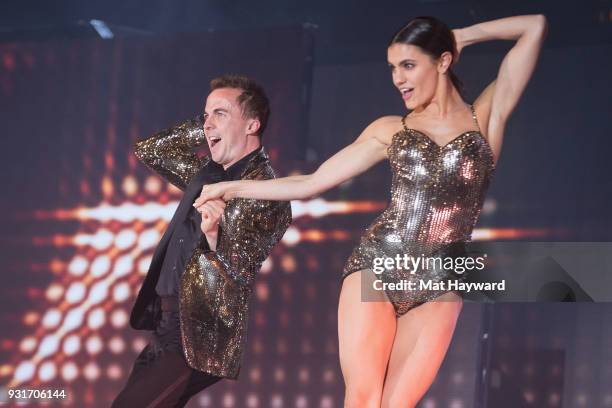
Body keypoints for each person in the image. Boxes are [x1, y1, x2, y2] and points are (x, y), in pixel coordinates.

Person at [194, 15, 548, 407]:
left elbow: (534, 26)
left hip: (441, 281)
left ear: (443, 61)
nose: (398, 78)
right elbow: (311, 181)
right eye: (393, 68)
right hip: (378, 266)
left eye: (408, 65)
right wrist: (230, 186)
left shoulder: (486, 119)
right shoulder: (391, 129)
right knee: (363, 399)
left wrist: (461, 35)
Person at [112, 75, 292, 407]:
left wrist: (213, 235)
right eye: (205, 114)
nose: (208, 123)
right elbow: (152, 149)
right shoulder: (207, 173)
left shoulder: (267, 191)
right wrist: (209, 125)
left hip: (198, 332)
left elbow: (239, 271)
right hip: (167, 327)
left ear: (252, 124)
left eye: (220, 113)